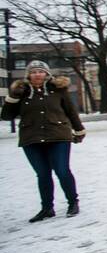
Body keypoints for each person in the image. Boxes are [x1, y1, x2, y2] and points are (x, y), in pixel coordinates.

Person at [2, 60, 85, 222]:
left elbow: (71, 111)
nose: (37, 74)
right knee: (43, 174)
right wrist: (12, 96)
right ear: (28, 75)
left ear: (47, 74)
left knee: (62, 170)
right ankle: (47, 208)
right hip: (31, 139)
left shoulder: (58, 90)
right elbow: (6, 116)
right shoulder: (22, 92)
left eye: (40, 71)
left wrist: (79, 129)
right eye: (33, 72)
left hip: (58, 135)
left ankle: (73, 203)